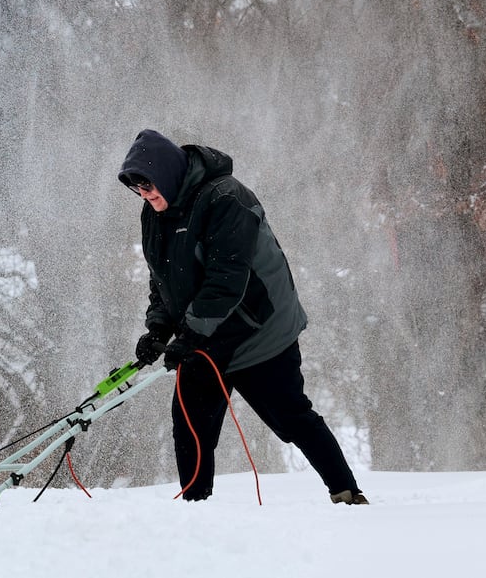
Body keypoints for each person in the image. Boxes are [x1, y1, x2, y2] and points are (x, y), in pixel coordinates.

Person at [118, 128, 368, 504]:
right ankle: (195, 508)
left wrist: (188, 335)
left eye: (151, 190)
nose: (147, 198)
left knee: (291, 418)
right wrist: (158, 328)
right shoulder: (155, 213)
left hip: (258, 329)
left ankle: (347, 493)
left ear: (170, 173)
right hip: (206, 333)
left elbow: (227, 279)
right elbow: (163, 278)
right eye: (140, 192)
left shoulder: (226, 199)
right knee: (190, 423)